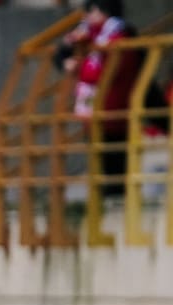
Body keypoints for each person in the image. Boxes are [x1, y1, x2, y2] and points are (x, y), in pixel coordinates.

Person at [53, 0, 140, 197]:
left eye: (91, 11)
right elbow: (63, 50)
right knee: (98, 148)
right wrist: (66, 58)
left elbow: (108, 70)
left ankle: (117, 191)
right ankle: (106, 189)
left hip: (114, 104)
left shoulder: (120, 35)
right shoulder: (89, 34)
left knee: (115, 149)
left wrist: (81, 69)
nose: (87, 17)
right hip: (94, 106)